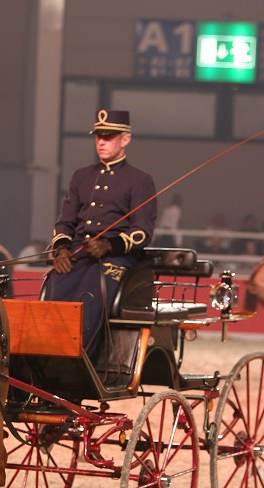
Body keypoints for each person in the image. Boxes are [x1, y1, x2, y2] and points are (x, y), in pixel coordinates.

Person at [46, 109, 157, 357]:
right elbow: (65, 221)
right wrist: (61, 248)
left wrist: (109, 246)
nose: (101, 142)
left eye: (109, 137)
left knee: (90, 299)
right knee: (54, 293)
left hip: (117, 258)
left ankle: (78, 360)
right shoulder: (81, 176)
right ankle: (46, 357)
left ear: (125, 139)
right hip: (79, 254)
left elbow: (143, 231)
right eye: (98, 137)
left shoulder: (140, 180)